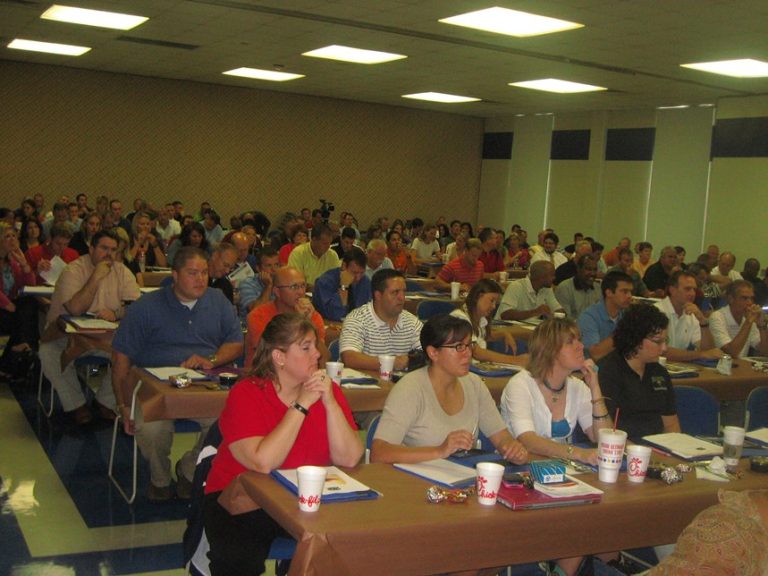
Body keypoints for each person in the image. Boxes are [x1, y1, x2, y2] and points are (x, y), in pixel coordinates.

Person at [203, 313, 363, 575]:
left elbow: (350, 457)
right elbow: (263, 462)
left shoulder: (327, 390)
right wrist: (301, 405)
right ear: (279, 357)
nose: (317, 354)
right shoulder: (247, 393)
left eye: (315, 345)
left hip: (304, 500)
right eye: (306, 347)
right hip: (242, 499)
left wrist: (330, 402)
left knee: (355, 543)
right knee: (238, 559)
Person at [112, 246, 244, 502]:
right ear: (174, 275)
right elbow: (120, 359)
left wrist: (211, 360)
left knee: (231, 422)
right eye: (192, 273)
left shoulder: (218, 301)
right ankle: (160, 478)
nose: (200, 279)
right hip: (153, 388)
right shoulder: (146, 306)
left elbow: (236, 343)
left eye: (204, 272)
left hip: (202, 385)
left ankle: (189, 470)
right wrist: (123, 405)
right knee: (152, 431)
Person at [370, 314, 527, 465]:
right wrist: (440, 451)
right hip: (416, 477)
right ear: (433, 353)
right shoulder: (410, 389)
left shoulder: (474, 384)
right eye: (459, 347)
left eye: (469, 345)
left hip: (460, 476)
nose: (468, 354)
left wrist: (512, 449)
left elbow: (501, 437)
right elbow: (379, 453)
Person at [39, 230, 140, 424]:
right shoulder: (73, 270)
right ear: (91, 248)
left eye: (113, 250)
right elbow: (75, 309)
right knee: (48, 353)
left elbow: (135, 307)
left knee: (136, 354)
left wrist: (116, 313)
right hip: (66, 335)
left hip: (106, 337)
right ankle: (76, 404)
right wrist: (96, 276)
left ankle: (105, 401)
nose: (109, 254)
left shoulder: (122, 271)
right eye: (104, 248)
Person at [501, 317, 610, 465]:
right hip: (518, 467)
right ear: (550, 351)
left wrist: (595, 388)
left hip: (559, 467)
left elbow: (602, 439)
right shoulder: (520, 385)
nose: (581, 346)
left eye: (579, 340)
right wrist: (578, 453)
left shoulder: (578, 387)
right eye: (570, 342)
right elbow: (528, 441)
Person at [597, 304, 680, 443]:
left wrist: (672, 450)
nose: (664, 348)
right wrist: (640, 452)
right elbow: (606, 431)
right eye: (658, 342)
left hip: (657, 446)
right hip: (620, 447)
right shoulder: (607, 372)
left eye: (665, 341)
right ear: (636, 339)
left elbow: (671, 425)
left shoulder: (659, 372)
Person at [245, 266, 328, 369]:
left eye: (303, 285)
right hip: (265, 373)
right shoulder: (258, 316)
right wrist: (298, 321)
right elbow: (272, 358)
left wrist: (307, 322)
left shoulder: (311, 316)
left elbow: (323, 359)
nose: (300, 292)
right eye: (294, 287)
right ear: (277, 292)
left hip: (301, 374)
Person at [340, 269, 422, 372]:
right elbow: (350, 358)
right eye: (395, 292)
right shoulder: (357, 319)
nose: (402, 298)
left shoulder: (412, 322)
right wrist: (392, 363)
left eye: (404, 292)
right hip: (365, 381)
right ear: (378, 295)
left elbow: (428, 354)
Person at [450, 279, 524, 364]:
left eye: (495, 302)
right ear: (478, 296)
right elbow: (476, 352)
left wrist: (504, 333)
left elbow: (484, 336)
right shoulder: (460, 318)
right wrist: (516, 360)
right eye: (492, 300)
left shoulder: (480, 318)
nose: (494, 306)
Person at [655, 271, 723, 362]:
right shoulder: (657, 311)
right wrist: (700, 354)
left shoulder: (692, 314)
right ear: (672, 290)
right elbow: (661, 351)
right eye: (687, 289)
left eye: (694, 289)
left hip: (677, 367)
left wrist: (702, 321)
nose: (692, 293)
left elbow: (709, 351)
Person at [0, 224, 38, 376]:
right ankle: (22, 351)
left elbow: (29, 286)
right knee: (24, 321)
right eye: (7, 236)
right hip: (4, 306)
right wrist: (7, 304)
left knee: (30, 303)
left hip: (10, 307)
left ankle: (20, 348)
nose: (12, 240)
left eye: (14, 236)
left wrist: (24, 265)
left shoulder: (13, 261)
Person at [578, 270, 634, 360]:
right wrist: (623, 332)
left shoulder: (626, 314)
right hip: (594, 367)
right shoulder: (588, 317)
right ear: (609, 293)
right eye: (624, 291)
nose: (629, 296)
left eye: (631, 292)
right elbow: (595, 354)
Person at [710, 280, 768, 358]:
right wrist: (748, 322)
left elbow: (765, 352)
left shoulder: (748, 318)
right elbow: (731, 353)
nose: (750, 303)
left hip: (740, 363)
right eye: (744, 298)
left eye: (751, 298)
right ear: (730, 299)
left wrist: (762, 326)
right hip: (719, 364)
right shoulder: (717, 317)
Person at [312, 247, 371, 322]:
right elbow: (336, 315)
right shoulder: (325, 282)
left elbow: (367, 311)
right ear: (344, 266)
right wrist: (344, 287)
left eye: (362, 273)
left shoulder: (365, 281)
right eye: (355, 272)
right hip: (329, 324)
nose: (358, 278)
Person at [495, 261, 564, 322]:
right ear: (542, 277)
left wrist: (558, 314)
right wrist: (536, 312)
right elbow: (505, 314)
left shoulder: (546, 289)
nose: (554, 278)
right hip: (505, 328)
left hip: (531, 328)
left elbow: (557, 309)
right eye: (552, 275)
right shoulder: (517, 286)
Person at [554, 254, 601, 319]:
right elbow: (564, 320)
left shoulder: (598, 288)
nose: (592, 273)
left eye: (595, 270)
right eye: (588, 269)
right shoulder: (564, 288)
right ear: (578, 269)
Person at [238, 246, 280, 318]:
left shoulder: (282, 282)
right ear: (258, 268)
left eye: (276, 265)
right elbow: (255, 312)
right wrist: (268, 286)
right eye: (268, 265)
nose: (274, 269)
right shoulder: (246, 284)